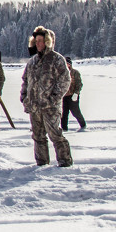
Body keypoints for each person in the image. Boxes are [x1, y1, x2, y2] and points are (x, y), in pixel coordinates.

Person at [20, 26, 72, 167]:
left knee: (55, 135)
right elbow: (25, 81)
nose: (38, 44)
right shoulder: (32, 62)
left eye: (41, 41)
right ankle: (41, 163)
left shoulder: (56, 59)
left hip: (50, 107)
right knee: (38, 137)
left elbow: (65, 80)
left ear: (47, 42)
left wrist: (53, 98)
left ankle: (65, 162)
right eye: (36, 41)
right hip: (34, 107)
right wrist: (25, 98)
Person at [61, 56, 86, 132]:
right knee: (64, 113)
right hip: (64, 96)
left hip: (73, 96)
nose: (66, 65)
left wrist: (76, 93)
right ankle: (64, 129)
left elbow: (79, 84)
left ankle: (83, 125)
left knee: (75, 112)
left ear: (70, 64)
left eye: (67, 63)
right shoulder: (60, 73)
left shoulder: (75, 73)